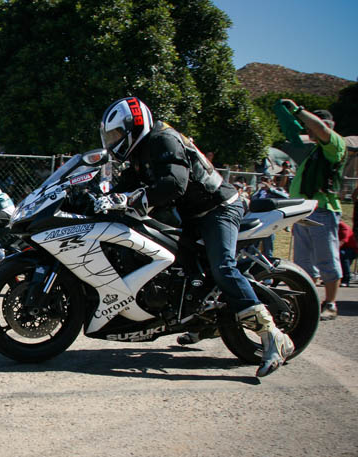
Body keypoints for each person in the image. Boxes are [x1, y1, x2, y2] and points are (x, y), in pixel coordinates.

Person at [97, 96, 294, 377]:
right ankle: (203, 323)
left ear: (134, 126)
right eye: (110, 136)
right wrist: (98, 196)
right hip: (194, 215)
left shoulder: (163, 140)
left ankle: (272, 335)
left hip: (219, 208)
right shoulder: (140, 153)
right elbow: (125, 184)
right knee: (183, 272)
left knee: (222, 266)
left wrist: (134, 197)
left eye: (117, 134)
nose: (114, 141)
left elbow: (174, 183)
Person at [283, 101, 347, 321]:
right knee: (303, 263)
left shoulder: (334, 144)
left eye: (311, 126)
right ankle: (307, 303)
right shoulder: (314, 152)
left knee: (327, 258)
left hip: (323, 211)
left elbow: (321, 129)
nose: (308, 131)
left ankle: (330, 303)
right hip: (304, 212)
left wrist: (298, 111)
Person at [250, 174, 289, 258]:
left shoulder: (276, 191)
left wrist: (270, 189)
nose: (263, 182)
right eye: (262, 180)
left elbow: (286, 198)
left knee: (268, 248)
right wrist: (257, 190)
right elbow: (252, 201)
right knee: (252, 248)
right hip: (257, 222)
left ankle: (269, 261)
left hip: (269, 222)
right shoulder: (258, 193)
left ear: (271, 181)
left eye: (266, 180)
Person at [337, 220, 357, 287]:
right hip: (341, 248)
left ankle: (346, 280)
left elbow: (343, 241)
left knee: (342, 254)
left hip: (351, 249)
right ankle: (332, 279)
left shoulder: (343, 227)